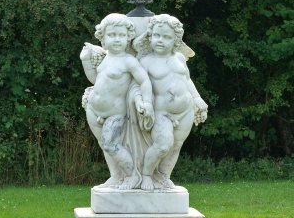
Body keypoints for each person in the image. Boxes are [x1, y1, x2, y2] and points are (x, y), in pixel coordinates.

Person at [134, 14, 208, 190]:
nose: (160, 40)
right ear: (150, 36)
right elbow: (137, 85)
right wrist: (142, 103)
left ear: (175, 40)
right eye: (156, 35)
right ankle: (146, 174)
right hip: (162, 112)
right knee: (162, 145)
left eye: (167, 37)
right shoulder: (145, 61)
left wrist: (197, 98)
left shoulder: (179, 58)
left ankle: (164, 176)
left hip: (185, 110)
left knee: (176, 146)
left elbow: (187, 80)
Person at [80, 13, 154, 188]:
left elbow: (144, 80)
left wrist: (147, 102)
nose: (117, 39)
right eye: (112, 35)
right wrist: (85, 62)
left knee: (110, 144)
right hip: (94, 109)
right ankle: (115, 176)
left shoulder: (128, 61)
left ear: (128, 37)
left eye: (121, 35)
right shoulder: (106, 58)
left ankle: (131, 175)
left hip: (115, 113)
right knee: (104, 145)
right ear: (103, 38)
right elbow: (96, 80)